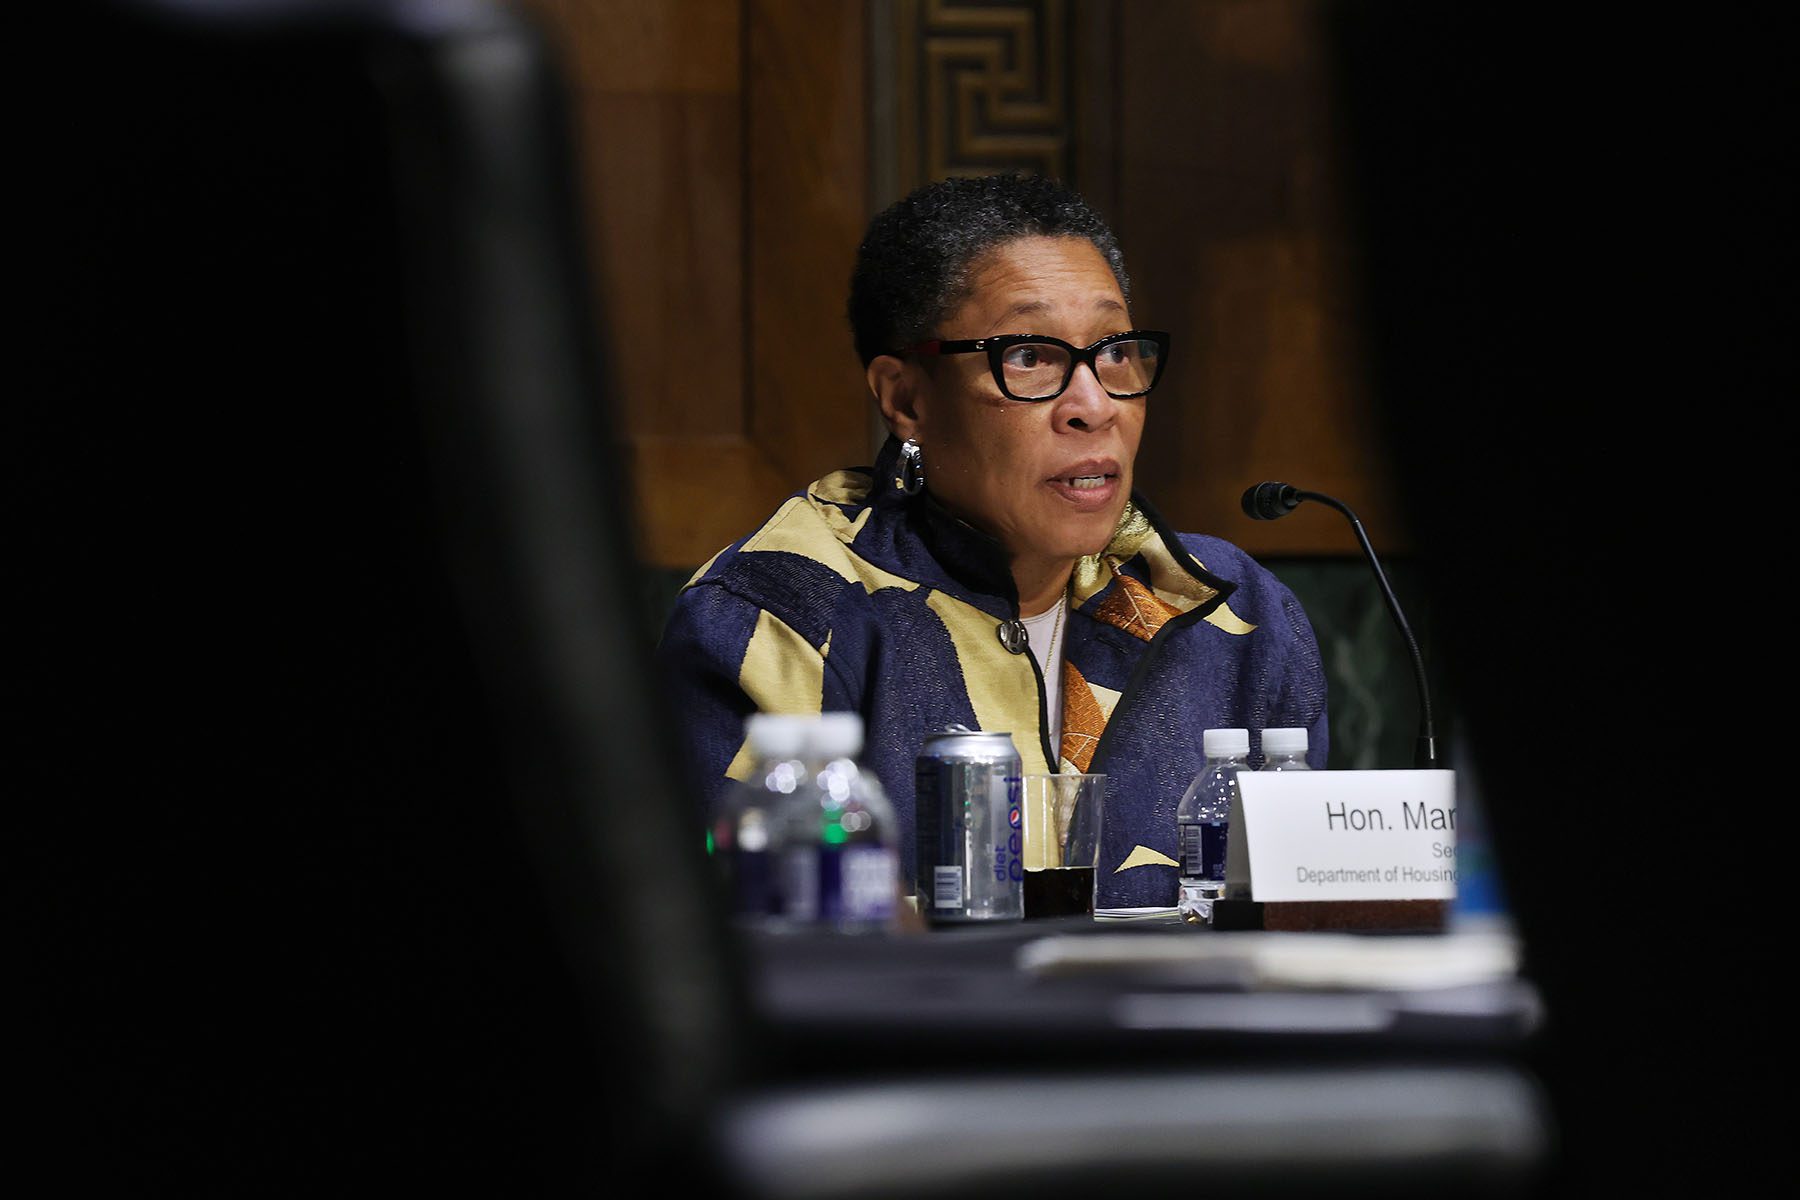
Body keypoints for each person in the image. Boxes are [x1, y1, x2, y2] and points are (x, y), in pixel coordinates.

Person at [656, 173, 1327, 909]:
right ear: (906, 399)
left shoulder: (1236, 617)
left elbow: (1312, 927)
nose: (1094, 406)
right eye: (1030, 357)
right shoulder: (781, 618)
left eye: (1115, 352)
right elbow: (728, 952)